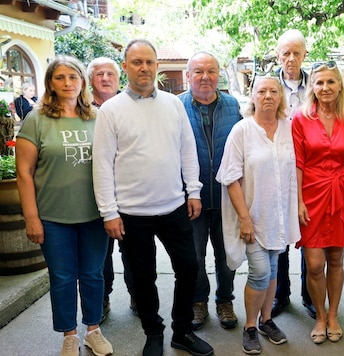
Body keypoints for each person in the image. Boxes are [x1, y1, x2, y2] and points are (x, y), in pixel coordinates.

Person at [92, 39, 213, 356]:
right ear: (126, 67)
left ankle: (182, 331)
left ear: (157, 66)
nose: (143, 68)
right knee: (143, 278)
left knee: (188, 268)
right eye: (136, 62)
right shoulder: (111, 111)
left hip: (174, 207)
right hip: (131, 215)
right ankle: (154, 334)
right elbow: (102, 164)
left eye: (149, 62)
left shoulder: (173, 105)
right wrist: (109, 212)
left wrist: (194, 191)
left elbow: (188, 150)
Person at [15, 55, 113, 356]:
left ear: (82, 81)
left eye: (73, 77)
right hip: (53, 217)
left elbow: (112, 164)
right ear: (50, 84)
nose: (68, 83)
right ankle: (69, 335)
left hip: (94, 215)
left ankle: (93, 330)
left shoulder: (97, 117)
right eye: (60, 78)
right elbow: (23, 172)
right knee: (62, 277)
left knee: (94, 274)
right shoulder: (36, 119)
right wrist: (32, 218)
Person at [216, 75, 300, 354]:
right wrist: (244, 218)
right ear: (252, 96)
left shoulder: (289, 128)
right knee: (260, 273)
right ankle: (250, 326)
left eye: (273, 91)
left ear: (281, 97)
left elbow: (296, 169)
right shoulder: (242, 130)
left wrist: (297, 204)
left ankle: (266, 321)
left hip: (279, 215)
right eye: (261, 91)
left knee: (273, 271)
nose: (268, 96)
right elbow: (230, 177)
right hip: (253, 215)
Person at [292, 60, 344, 344]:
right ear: (312, 86)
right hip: (310, 194)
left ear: (339, 86)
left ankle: (333, 315)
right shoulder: (301, 119)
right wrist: (298, 200)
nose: (325, 87)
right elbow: (297, 163)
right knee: (313, 263)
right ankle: (319, 316)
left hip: (341, 193)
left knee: (336, 259)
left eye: (330, 82)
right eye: (319, 82)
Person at [178, 51, 241, 330]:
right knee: (194, 255)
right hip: (191, 198)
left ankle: (225, 300)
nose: (205, 77)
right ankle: (198, 300)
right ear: (188, 75)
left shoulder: (232, 105)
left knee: (227, 255)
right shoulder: (175, 106)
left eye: (211, 71)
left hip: (227, 196)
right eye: (199, 71)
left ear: (219, 75)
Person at [87, 56, 135, 324]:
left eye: (110, 74)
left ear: (119, 79)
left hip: (130, 192)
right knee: (101, 255)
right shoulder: (82, 110)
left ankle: (137, 294)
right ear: (90, 80)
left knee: (134, 252)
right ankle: (103, 297)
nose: (105, 78)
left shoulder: (128, 107)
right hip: (98, 195)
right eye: (99, 74)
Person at [271, 28, 315, 320]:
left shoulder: (316, 85)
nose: (290, 58)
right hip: (276, 167)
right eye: (285, 53)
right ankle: (281, 295)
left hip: (310, 170)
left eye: (296, 53)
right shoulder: (266, 84)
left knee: (308, 233)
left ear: (304, 55)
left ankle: (310, 296)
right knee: (279, 234)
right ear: (278, 55)